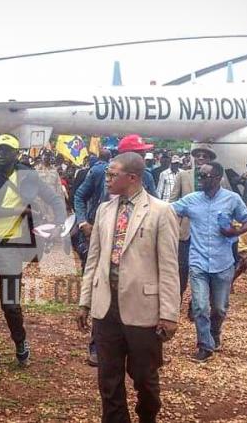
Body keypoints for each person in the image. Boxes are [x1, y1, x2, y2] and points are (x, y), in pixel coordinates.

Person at [76, 152, 180, 423]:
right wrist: (84, 301)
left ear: (132, 178)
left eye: (112, 175)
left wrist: (169, 313)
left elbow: (169, 266)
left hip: (142, 308)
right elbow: (94, 259)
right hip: (106, 306)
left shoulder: (161, 211)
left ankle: (147, 417)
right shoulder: (104, 209)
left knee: (145, 377)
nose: (106, 179)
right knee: (108, 379)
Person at [0, 134, 66, 383]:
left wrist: (59, 222)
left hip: (11, 249)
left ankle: (20, 341)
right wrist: (17, 210)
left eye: (7, 150)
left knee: (10, 304)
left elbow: (54, 198)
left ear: (16, 154)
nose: (1, 154)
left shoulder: (27, 175)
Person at [171, 162, 247, 363]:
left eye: (204, 176)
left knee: (219, 308)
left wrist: (236, 231)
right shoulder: (191, 200)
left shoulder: (232, 199)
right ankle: (204, 345)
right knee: (200, 306)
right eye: (199, 176)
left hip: (223, 262)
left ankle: (215, 333)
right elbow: (168, 211)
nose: (200, 180)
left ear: (217, 178)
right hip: (198, 261)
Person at [169, 144, 231, 320]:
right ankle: (174, 307)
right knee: (180, 271)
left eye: (205, 156)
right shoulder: (183, 175)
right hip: (185, 232)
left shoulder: (220, 180)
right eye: (198, 155)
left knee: (203, 271)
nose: (201, 158)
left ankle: (195, 307)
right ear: (193, 158)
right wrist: (173, 227)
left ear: (210, 159)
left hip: (208, 234)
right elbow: (173, 202)